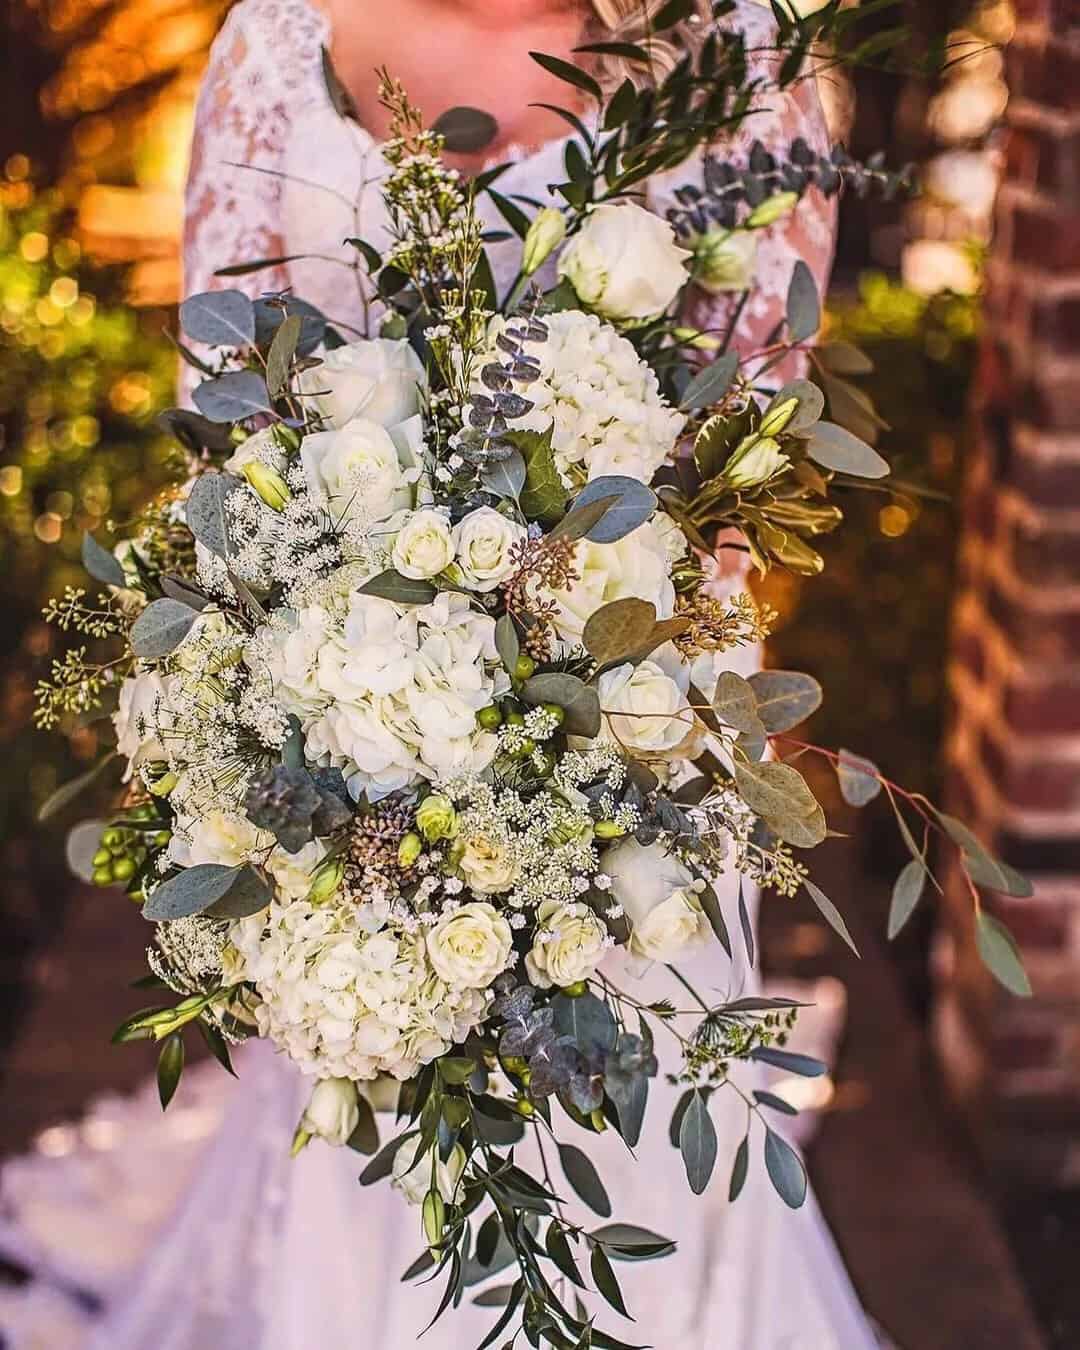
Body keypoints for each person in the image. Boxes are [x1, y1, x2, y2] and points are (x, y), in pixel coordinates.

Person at [0, 2, 886, 1346]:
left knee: (617, 1130)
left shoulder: (740, 54)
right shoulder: (277, 43)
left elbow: (742, 476)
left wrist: (557, 741)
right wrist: (340, 726)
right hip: (348, 730)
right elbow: (226, 447)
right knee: (374, 1125)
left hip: (629, 734)